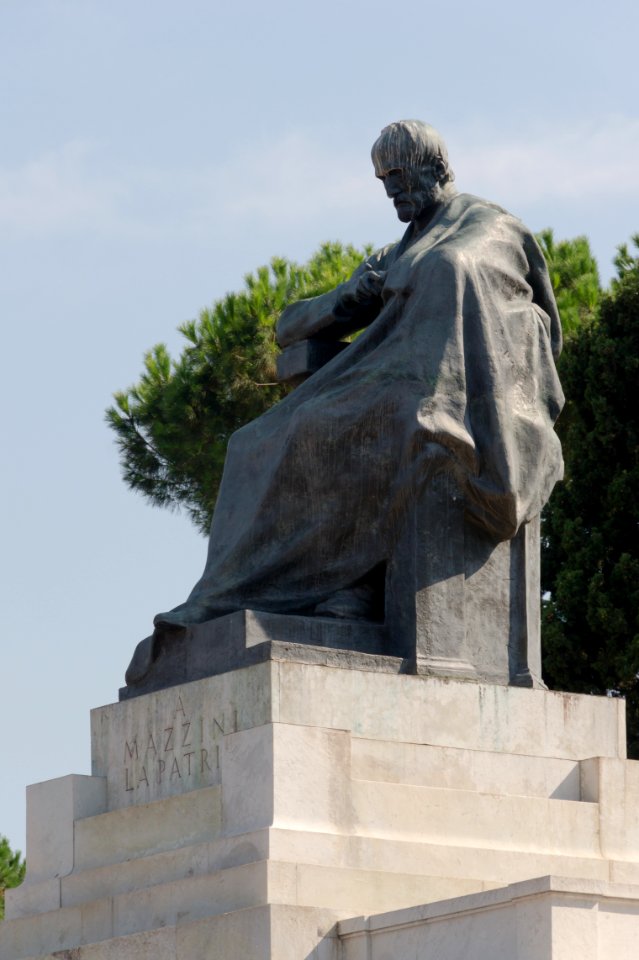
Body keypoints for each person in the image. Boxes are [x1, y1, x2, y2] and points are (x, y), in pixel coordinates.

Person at [126, 120, 564, 684]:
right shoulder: (399, 251)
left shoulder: (489, 225)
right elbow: (291, 325)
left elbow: (467, 271)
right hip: (384, 385)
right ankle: (313, 586)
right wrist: (353, 292)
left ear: (437, 168)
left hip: (443, 394)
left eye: (401, 177)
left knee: (404, 426)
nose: (392, 192)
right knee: (253, 442)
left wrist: (414, 281)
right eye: (384, 181)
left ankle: (345, 585)